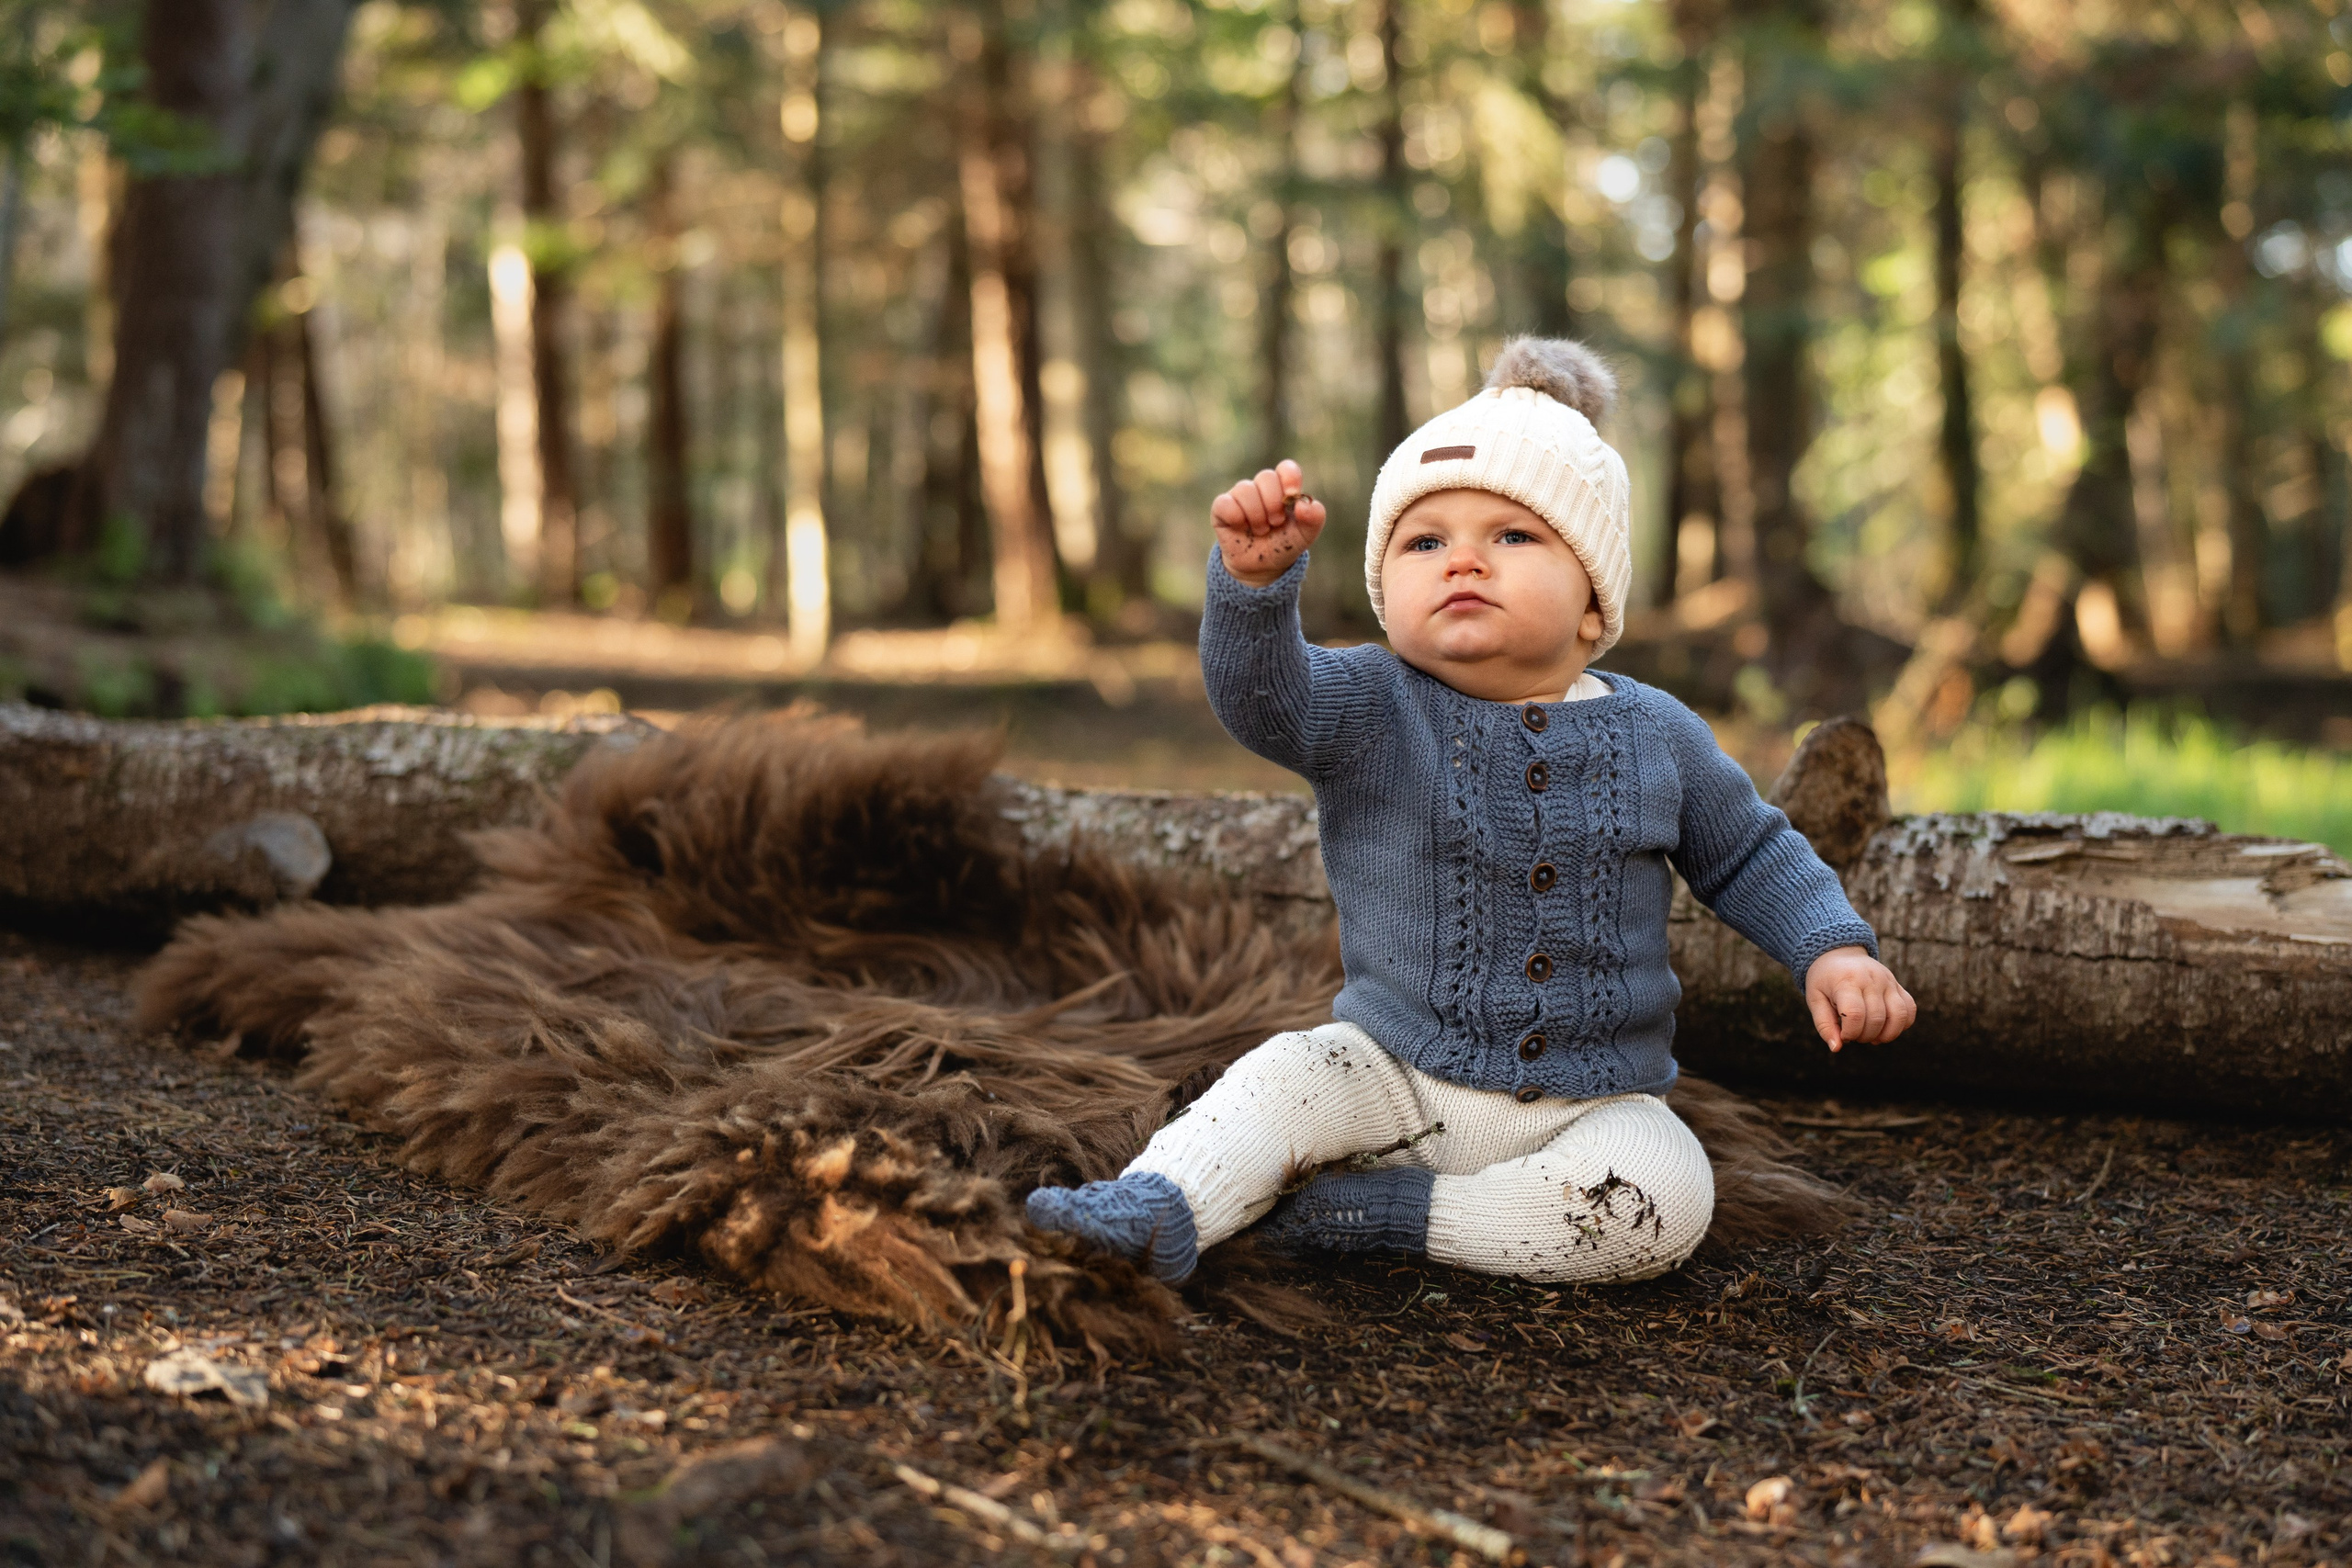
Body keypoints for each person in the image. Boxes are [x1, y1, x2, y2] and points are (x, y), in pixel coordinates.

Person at [1025, 336, 1917, 1286]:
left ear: (1591, 600)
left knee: (1662, 1202)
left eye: (1512, 536)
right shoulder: (1370, 703)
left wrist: (1831, 945)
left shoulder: (1659, 732)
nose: (1463, 561)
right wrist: (1252, 592)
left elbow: (1747, 854)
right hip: (1388, 1071)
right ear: (1386, 590)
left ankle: (1391, 1217)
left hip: (1593, 1101)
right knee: (1280, 1081)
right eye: (1425, 540)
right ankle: (1161, 1203)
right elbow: (1263, 701)